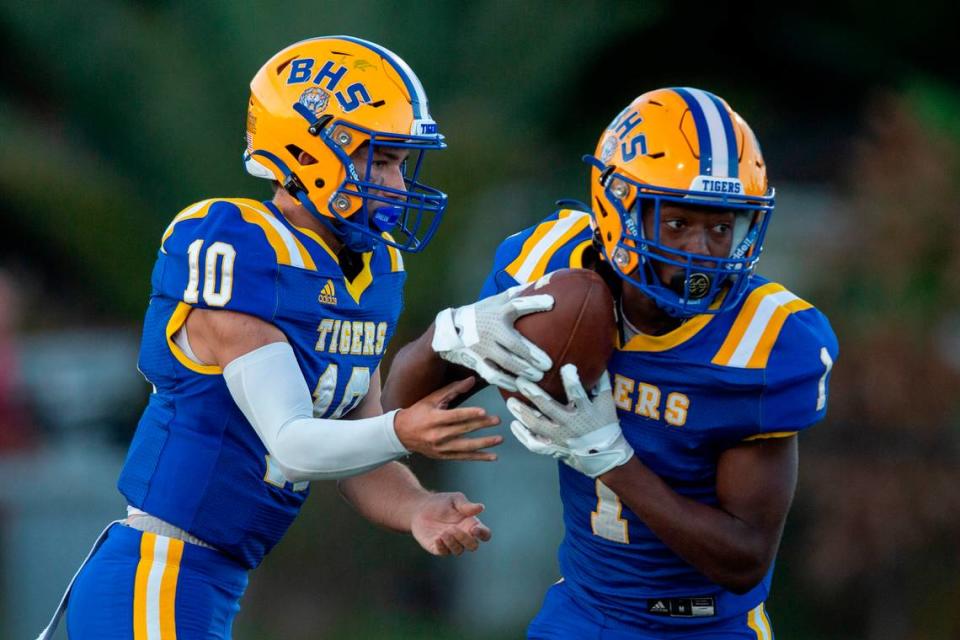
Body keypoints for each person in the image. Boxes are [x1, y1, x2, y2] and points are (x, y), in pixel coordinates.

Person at [37, 36, 503, 640]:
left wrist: (416, 506)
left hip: (210, 582)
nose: (395, 182)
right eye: (379, 160)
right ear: (308, 150)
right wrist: (400, 429)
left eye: (399, 163)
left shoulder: (372, 270)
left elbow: (347, 443)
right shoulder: (241, 247)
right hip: (159, 575)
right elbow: (292, 444)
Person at [382, 87, 839, 639]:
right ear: (616, 207)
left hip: (710, 627)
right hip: (583, 613)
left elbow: (743, 561)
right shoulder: (551, 273)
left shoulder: (763, 340)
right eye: (677, 224)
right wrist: (452, 332)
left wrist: (609, 459)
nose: (701, 251)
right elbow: (397, 412)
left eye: (722, 228)